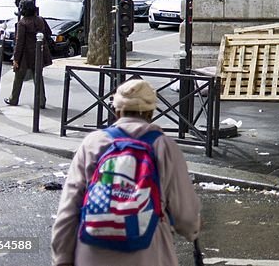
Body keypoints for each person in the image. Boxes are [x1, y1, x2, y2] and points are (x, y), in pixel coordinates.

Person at [51, 79, 201, 266]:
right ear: (150, 112)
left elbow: (69, 206)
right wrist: (192, 230)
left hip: (92, 253)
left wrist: (62, 257)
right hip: (148, 254)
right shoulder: (164, 146)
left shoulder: (93, 143)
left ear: (117, 110)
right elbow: (185, 213)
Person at [5, 0, 52, 108]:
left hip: (26, 54)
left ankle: (13, 99)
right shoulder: (40, 20)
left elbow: (19, 42)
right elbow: (48, 33)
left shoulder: (22, 23)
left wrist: (16, 58)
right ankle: (41, 101)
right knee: (38, 77)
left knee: (19, 76)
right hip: (39, 52)